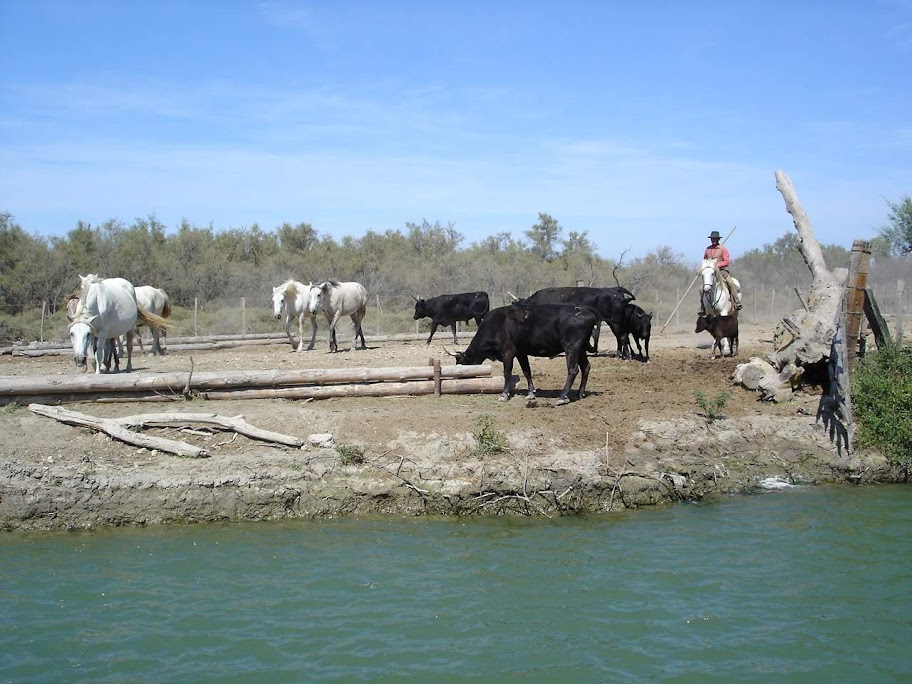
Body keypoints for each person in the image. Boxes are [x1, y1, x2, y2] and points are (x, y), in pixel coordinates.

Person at [699, 230, 742, 315]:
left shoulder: (723, 249)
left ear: (718, 239)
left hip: (721, 272)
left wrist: (717, 265)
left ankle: (736, 302)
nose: (713, 240)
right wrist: (703, 268)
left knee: (730, 282)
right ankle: (702, 307)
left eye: (715, 239)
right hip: (710, 272)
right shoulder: (707, 249)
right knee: (701, 288)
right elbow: (705, 260)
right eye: (712, 239)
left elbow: (727, 261)